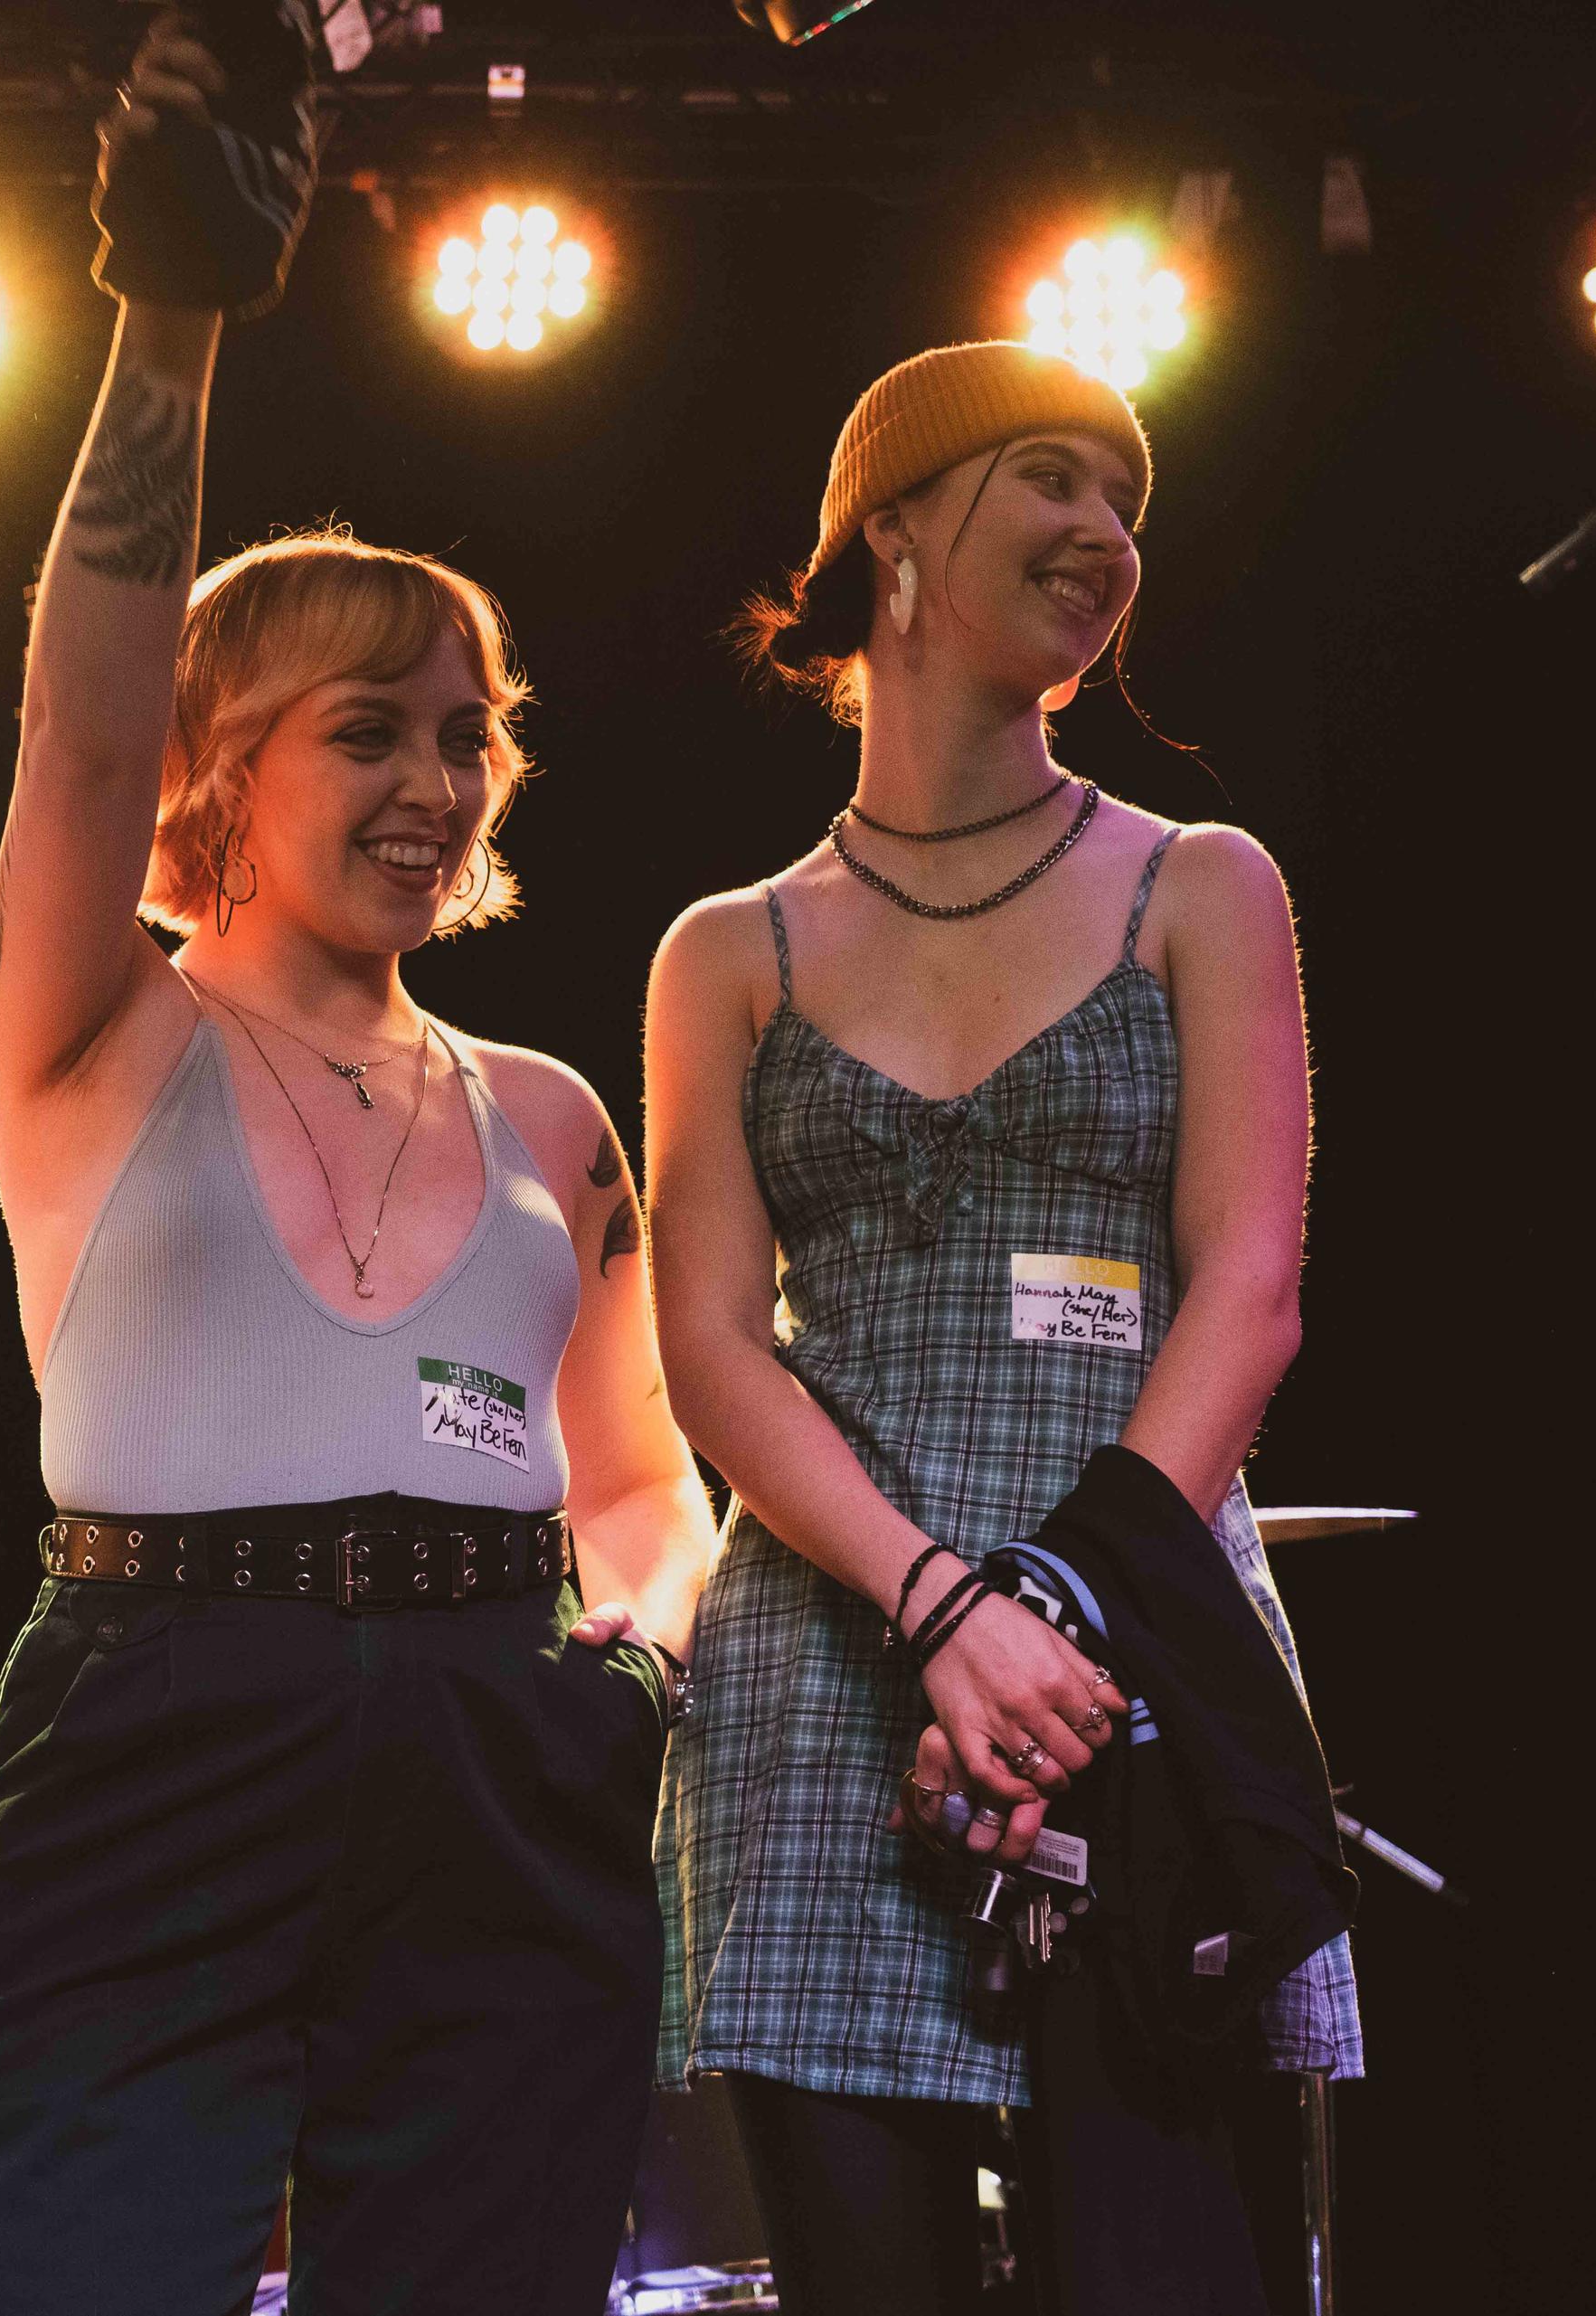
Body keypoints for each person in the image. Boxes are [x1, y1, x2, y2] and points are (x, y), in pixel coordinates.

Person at [0, 17, 721, 2313]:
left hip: (505, 1751)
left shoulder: (554, 1115)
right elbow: (76, 711)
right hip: (158, 1711)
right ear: (224, 768)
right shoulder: (90, 1013)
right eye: (370, 729)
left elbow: (646, 1484)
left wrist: (632, 1674)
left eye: (471, 735)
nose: (437, 781)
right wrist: (167, 318)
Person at [644, 343, 1360, 2311]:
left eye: (1130, 506)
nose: (1108, 535)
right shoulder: (732, 948)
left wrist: (1054, 1599)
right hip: (826, 1674)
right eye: (1054, 481)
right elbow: (708, 1345)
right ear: (896, 531)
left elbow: (1255, 1289)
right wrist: (941, 1606)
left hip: (1128, 1659)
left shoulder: (1200, 886)